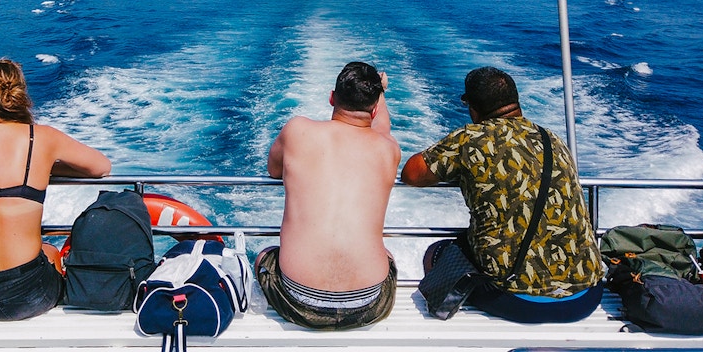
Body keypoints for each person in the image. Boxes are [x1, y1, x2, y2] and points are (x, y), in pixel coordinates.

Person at [401, 66, 603, 323]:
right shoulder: (552, 139)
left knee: (439, 252)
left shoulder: (470, 140)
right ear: (516, 101)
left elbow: (412, 173)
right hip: (585, 296)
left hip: (518, 301)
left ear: (472, 107)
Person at [0, 58, 111, 322]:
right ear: (19, 94)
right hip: (23, 296)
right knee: (49, 251)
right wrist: (45, 169)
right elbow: (101, 167)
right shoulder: (42, 137)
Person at [255, 61, 400, 330]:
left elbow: (273, 170)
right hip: (367, 304)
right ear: (375, 106)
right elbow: (381, 127)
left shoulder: (297, 130)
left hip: (297, 301)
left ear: (332, 97)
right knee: (387, 255)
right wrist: (381, 92)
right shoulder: (388, 149)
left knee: (264, 254)